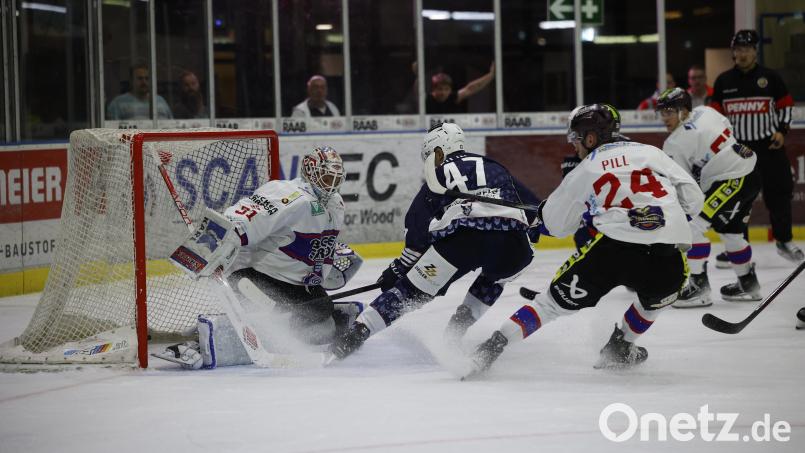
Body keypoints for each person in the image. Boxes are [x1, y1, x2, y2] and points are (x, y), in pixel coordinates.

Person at [467, 104, 705, 375]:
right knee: (655, 300)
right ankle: (622, 346)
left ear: (591, 138)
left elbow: (556, 226)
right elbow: (694, 198)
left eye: (576, 139)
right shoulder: (651, 152)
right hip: (667, 253)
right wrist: (665, 217)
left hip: (613, 251)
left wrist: (548, 212)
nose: (575, 145)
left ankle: (490, 348)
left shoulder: (586, 168)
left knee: (548, 305)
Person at [327, 122, 541, 362]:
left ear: (439, 150)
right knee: (495, 278)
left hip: (464, 242)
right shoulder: (494, 166)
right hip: (515, 245)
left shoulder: (438, 174)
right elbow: (537, 213)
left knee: (409, 292)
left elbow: (418, 227)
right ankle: (455, 332)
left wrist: (398, 270)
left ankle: (354, 336)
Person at [156, 146, 364, 369]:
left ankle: (284, 324)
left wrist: (328, 261)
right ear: (310, 171)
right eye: (327, 177)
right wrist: (213, 243)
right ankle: (199, 342)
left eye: (336, 179)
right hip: (258, 279)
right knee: (278, 324)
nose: (331, 184)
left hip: (300, 288)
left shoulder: (336, 203)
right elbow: (242, 219)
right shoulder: (290, 195)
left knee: (322, 331)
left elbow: (315, 241)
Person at [656, 87, 762, 307]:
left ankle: (699, 288)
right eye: (662, 112)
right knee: (732, 232)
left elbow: (685, 184)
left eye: (669, 111)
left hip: (730, 179)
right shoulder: (706, 111)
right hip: (750, 171)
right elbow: (727, 130)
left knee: (692, 227)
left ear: (684, 110)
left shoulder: (674, 143)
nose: (665, 117)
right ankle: (748, 284)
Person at [710, 29, 803, 263]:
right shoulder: (723, 81)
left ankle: (784, 241)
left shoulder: (770, 78)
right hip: (737, 153)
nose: (743, 54)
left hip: (769, 148)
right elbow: (714, 116)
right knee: (736, 201)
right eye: (738, 49)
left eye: (747, 49)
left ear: (755, 51)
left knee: (779, 195)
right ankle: (737, 248)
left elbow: (786, 106)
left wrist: (782, 131)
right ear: (733, 52)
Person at [106, 63, 173, 120]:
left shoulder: (160, 100)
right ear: (131, 80)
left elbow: (173, 124)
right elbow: (112, 129)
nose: (144, 82)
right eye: (140, 78)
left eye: (147, 78)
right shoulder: (118, 103)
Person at [427, 63, 495, 115]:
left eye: (446, 89)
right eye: (440, 89)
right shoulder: (426, 99)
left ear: (450, 90)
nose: (443, 92)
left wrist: (491, 75)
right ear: (433, 89)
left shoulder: (452, 97)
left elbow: (471, 88)